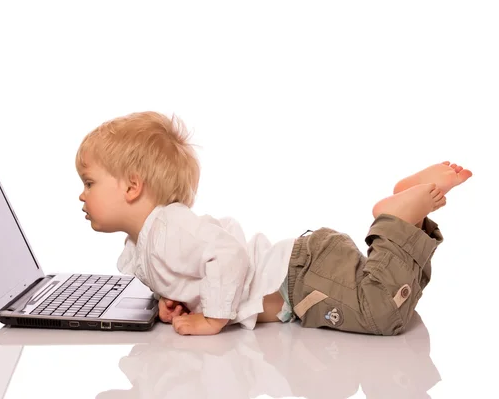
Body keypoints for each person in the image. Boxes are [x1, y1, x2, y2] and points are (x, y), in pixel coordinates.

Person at [75, 111, 472, 336]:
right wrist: (177, 298)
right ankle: (410, 213)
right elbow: (195, 271)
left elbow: (227, 254)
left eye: (89, 183)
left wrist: (214, 318)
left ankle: (397, 217)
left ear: (131, 186)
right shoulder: (145, 244)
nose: (82, 195)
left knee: (384, 312)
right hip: (303, 274)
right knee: (393, 301)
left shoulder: (167, 230)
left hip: (301, 276)